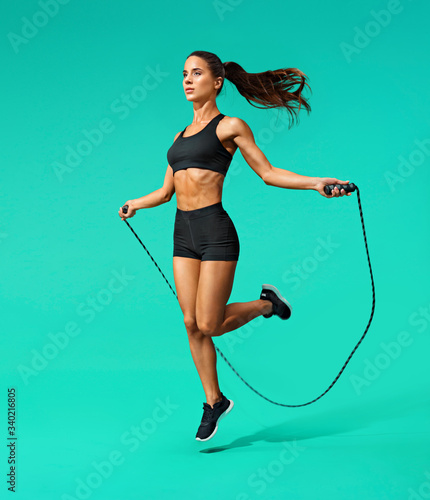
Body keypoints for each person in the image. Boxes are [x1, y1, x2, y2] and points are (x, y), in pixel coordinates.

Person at [119, 50, 351, 442]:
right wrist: (135, 204)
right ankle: (215, 401)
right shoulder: (178, 138)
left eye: (196, 73)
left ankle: (266, 304)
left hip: (215, 231)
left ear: (217, 81)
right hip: (182, 233)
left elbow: (268, 172)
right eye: (183, 74)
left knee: (210, 322)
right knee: (192, 323)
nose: (187, 80)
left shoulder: (230, 127)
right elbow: (165, 191)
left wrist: (316, 182)